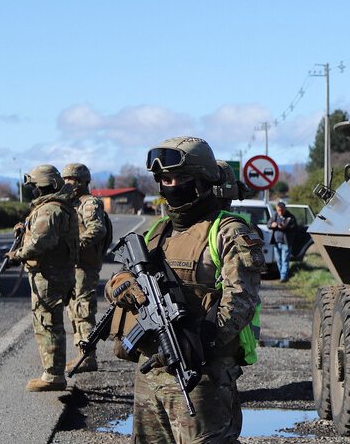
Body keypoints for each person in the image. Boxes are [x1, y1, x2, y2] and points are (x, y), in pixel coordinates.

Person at [107, 136, 264, 442]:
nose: (173, 185)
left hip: (200, 377)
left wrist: (199, 342)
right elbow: (119, 280)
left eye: (183, 178)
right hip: (149, 377)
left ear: (204, 181)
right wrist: (121, 286)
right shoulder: (157, 232)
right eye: (166, 179)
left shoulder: (228, 232)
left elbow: (241, 302)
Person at [5, 165, 79, 391]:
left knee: (47, 323)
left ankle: (53, 375)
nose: (33, 191)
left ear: (43, 187)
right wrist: (24, 228)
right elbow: (40, 233)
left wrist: (17, 254)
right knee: (50, 322)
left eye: (35, 187)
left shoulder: (50, 210)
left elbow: (41, 242)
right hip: (55, 273)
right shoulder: (54, 207)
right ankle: (53, 372)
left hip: (49, 276)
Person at [61, 163, 108, 374]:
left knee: (83, 309)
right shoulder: (71, 203)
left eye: (69, 179)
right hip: (74, 266)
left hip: (85, 266)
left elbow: (97, 229)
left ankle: (88, 356)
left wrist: (74, 247)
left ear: (80, 181)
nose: (65, 183)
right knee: (74, 310)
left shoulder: (89, 203)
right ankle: (82, 353)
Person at [268, 201, 296, 282]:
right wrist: (272, 225)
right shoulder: (275, 216)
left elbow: (294, 228)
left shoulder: (290, 217)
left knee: (284, 260)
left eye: (281, 210)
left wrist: (285, 227)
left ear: (284, 209)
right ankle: (282, 275)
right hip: (276, 242)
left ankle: (283, 277)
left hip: (286, 243)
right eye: (278, 210)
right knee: (279, 260)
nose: (280, 212)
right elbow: (268, 224)